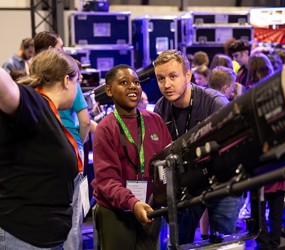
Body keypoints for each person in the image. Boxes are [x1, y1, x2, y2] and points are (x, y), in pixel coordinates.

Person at [153, 49, 242, 244]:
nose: (167, 84)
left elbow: (235, 149)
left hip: (223, 181)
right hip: (189, 184)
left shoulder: (215, 103)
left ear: (188, 75)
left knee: (222, 245)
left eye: (173, 76)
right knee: (178, 242)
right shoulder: (161, 108)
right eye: (160, 79)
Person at [0, 49, 80, 249]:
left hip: (46, 237)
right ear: (65, 81)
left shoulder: (50, 114)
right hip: (23, 237)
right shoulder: (33, 103)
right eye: (77, 81)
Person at [91, 64, 172, 250]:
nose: (132, 86)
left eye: (136, 82)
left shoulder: (155, 120)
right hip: (116, 212)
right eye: (124, 82)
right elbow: (107, 180)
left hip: (149, 208)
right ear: (109, 91)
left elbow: (167, 162)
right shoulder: (106, 128)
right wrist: (132, 203)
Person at [33, 30, 91, 250]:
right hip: (30, 232)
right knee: (73, 220)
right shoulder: (40, 107)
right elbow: (85, 121)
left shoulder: (34, 101)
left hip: (39, 228)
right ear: (67, 81)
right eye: (77, 82)